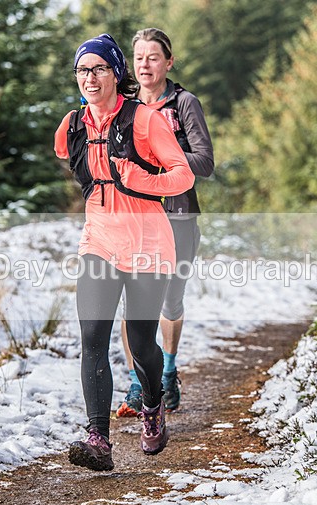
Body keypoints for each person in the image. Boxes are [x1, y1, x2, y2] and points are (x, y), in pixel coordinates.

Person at [54, 33, 195, 471]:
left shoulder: (146, 120)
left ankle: (152, 405)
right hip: (99, 241)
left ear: (117, 73)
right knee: (92, 339)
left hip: (149, 242)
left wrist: (141, 181)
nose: (90, 78)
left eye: (98, 69)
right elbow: (66, 154)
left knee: (140, 342)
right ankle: (98, 438)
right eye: (82, 70)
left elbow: (183, 176)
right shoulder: (72, 124)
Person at [116, 28, 215, 418]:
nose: (145, 64)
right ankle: (139, 383)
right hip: (134, 217)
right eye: (139, 58)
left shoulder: (184, 103)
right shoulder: (124, 106)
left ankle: (169, 373)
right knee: (132, 305)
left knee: (170, 301)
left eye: (153, 57)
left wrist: (161, 160)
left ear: (168, 62)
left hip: (178, 216)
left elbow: (204, 162)